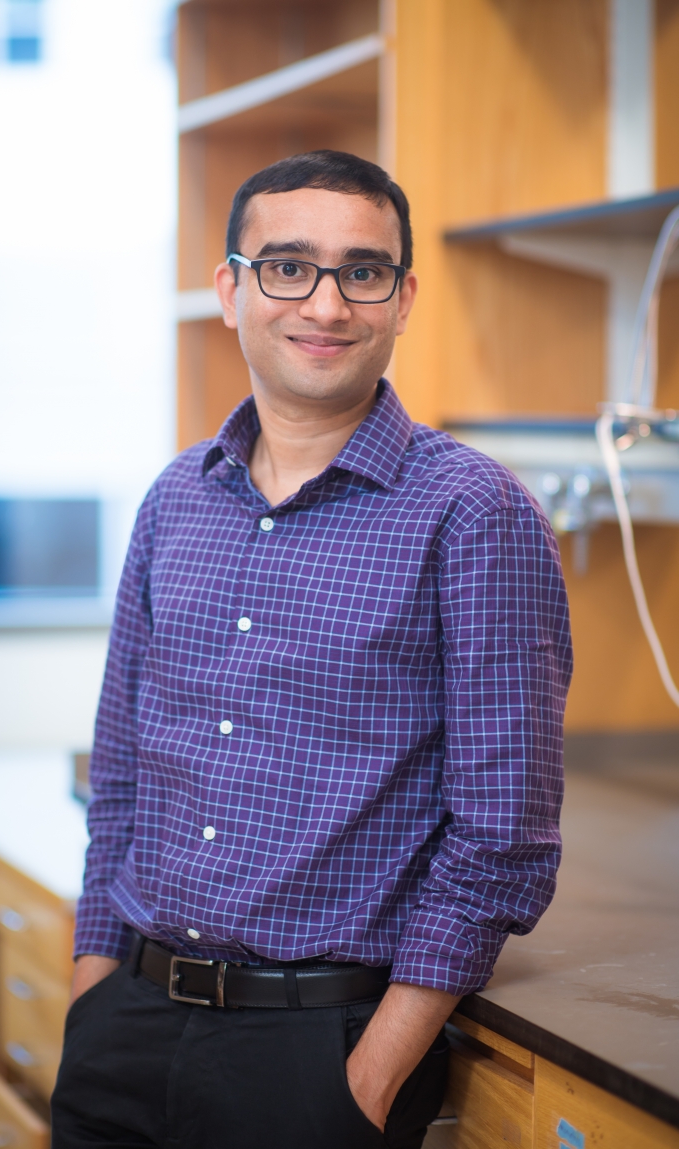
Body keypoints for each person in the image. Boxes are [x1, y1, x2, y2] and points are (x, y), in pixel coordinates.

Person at [51, 150, 572, 1149]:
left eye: (361, 271)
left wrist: (366, 1081)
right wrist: (92, 998)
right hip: (128, 1025)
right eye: (288, 267)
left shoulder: (475, 515)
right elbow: (121, 775)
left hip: (317, 1055)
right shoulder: (176, 500)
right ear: (231, 289)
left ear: (403, 296)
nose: (325, 304)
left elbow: (504, 836)